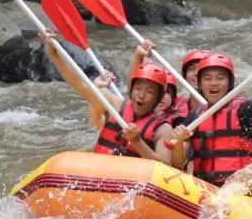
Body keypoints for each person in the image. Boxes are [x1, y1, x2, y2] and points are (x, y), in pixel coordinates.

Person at [38, 31, 174, 164]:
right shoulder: (114, 105)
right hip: (99, 172)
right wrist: (54, 53)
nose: (141, 95)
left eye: (149, 91)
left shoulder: (163, 129)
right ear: (131, 89)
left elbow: (166, 166)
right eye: (138, 88)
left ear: (158, 97)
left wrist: (137, 142)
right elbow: (79, 82)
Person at [169, 50, 252, 187]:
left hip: (240, 190)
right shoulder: (195, 117)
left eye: (220, 78)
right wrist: (178, 142)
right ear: (200, 84)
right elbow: (177, 164)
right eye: (207, 78)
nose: (214, 83)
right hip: (205, 190)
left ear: (229, 83)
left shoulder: (244, 110)